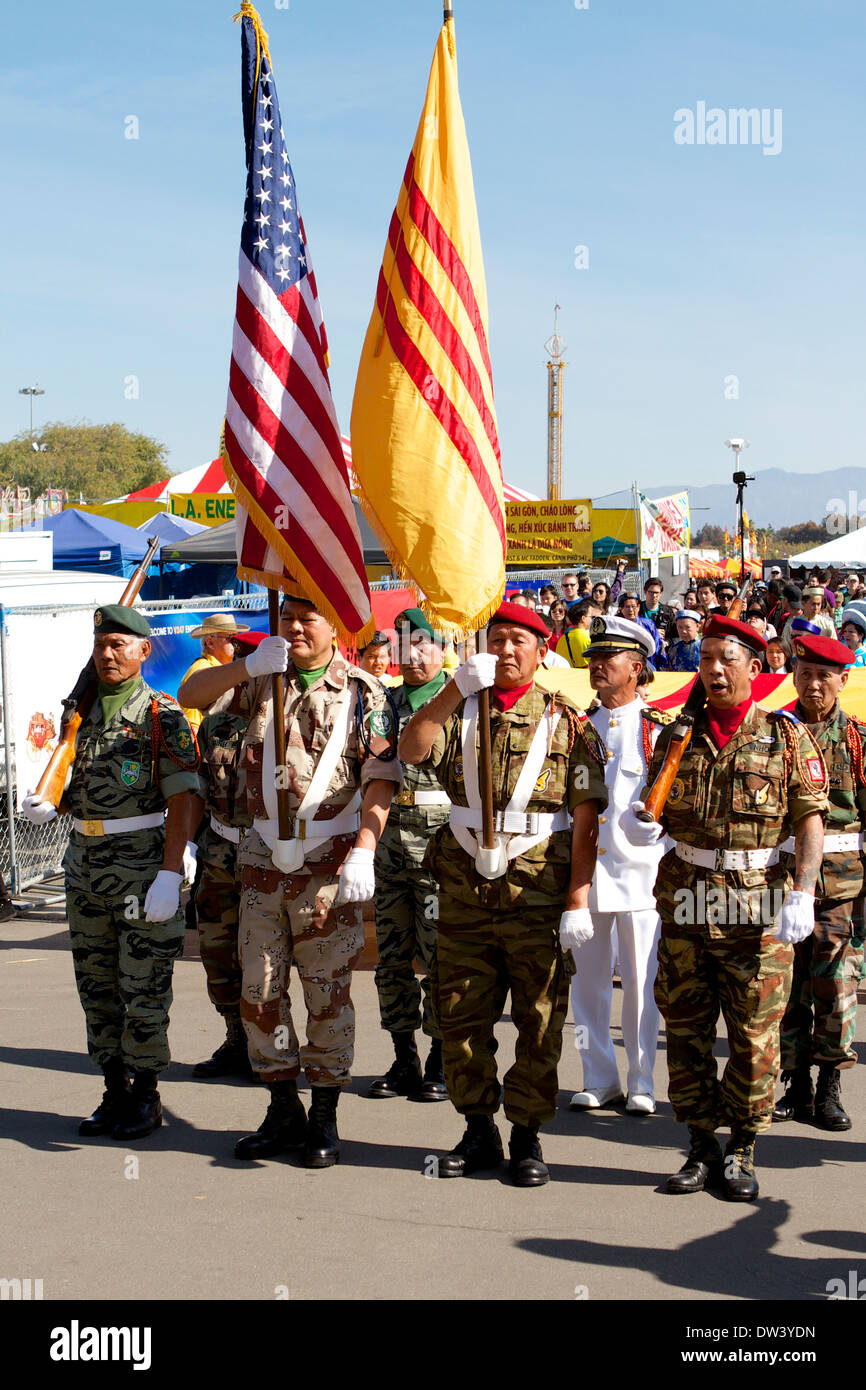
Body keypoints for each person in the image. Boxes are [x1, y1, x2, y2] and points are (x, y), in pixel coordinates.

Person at [179, 588, 403, 1168]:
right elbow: (191, 694)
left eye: (309, 618)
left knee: (326, 998)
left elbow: (380, 776)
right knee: (260, 994)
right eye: (287, 617)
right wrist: (249, 663)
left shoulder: (364, 692)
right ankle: (283, 1109)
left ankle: (324, 1114)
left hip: (326, 868)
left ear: (336, 629)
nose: (297, 628)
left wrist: (364, 850)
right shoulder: (261, 680)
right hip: (260, 867)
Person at [399, 601, 608, 1186]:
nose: (507, 650)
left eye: (520, 640)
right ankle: (477, 1128)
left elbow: (586, 818)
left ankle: (528, 1134)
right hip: (464, 890)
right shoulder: (461, 712)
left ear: (543, 652)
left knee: (538, 1019)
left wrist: (577, 899)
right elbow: (411, 752)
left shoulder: (569, 724)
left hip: (537, 893)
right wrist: (451, 692)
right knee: (461, 1015)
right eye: (498, 639)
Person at [623, 614, 829, 1201]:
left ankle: (742, 1146)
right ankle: (699, 1145)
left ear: (754, 668)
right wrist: (645, 828)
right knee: (686, 1033)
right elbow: (653, 807)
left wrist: (804, 892)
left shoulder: (787, 737)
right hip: (687, 904)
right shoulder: (676, 735)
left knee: (753, 1038)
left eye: (726, 658)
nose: (713, 669)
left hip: (759, 909)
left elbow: (810, 819)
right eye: (706, 658)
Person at [23, 605, 202, 1139]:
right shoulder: (80, 712)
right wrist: (48, 801)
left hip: (142, 869)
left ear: (144, 651)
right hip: (84, 867)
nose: (108, 654)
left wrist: (172, 873)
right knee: (96, 986)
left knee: (143, 987)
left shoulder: (159, 716)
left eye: (120, 644)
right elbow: (71, 781)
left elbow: (185, 798)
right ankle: (112, 1090)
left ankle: (145, 1095)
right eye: (101, 643)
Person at [568, 616, 669, 1114]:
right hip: (586, 878)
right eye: (592, 658)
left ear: (636, 667)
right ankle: (597, 1075)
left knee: (640, 986)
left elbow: (675, 801)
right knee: (585, 989)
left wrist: (660, 832)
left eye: (608, 658)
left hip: (640, 877)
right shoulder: (576, 728)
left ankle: (643, 1079)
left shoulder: (660, 731)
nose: (597, 666)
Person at [772, 633, 866, 1132]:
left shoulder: (858, 741)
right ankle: (796, 1084)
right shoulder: (775, 734)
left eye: (824, 676)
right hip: (782, 884)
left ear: (843, 680)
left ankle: (830, 1084)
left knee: (834, 986)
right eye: (805, 673)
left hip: (843, 888)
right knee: (787, 988)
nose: (813, 684)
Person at [367, 608, 450, 1103]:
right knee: (391, 958)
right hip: (390, 845)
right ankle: (404, 1058)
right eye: (404, 646)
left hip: (442, 850)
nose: (414, 654)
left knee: (441, 957)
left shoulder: (459, 701)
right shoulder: (383, 702)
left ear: (441, 650)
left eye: (423, 645)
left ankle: (440, 1060)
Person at [188, 630, 270, 1080]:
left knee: (265, 960)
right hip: (219, 853)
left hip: (271, 854)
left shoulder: (283, 717)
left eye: (248, 659)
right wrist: (186, 845)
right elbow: (200, 786)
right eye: (237, 660)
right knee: (218, 954)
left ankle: (270, 1048)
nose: (239, 670)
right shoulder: (217, 721)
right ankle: (235, 1039)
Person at [179, 613, 252, 735]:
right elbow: (193, 729)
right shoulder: (202, 671)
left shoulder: (223, 669)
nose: (235, 642)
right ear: (210, 642)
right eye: (230, 637)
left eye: (236, 637)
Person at [556, 599, 599, 668]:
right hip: (586, 676)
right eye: (591, 617)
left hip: (567, 676)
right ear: (583, 618)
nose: (592, 619)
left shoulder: (562, 639)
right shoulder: (590, 638)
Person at [640, 578, 676, 647]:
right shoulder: (637, 609)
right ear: (645, 591)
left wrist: (666, 643)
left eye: (656, 593)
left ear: (661, 593)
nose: (654, 596)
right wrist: (654, 633)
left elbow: (675, 636)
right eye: (651, 592)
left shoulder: (667, 611)